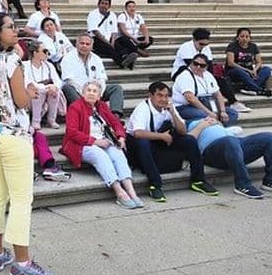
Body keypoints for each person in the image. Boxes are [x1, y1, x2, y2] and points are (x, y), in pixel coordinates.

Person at [0, 12, 56, 275]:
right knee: (22, 200)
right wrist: (31, 93)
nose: (15, 30)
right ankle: (22, 262)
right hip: (12, 135)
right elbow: (21, 101)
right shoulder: (11, 60)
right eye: (10, 27)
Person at [125, 82, 218, 202]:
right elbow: (138, 133)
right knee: (143, 142)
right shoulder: (142, 108)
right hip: (137, 144)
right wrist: (162, 136)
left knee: (189, 140)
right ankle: (155, 185)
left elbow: (183, 131)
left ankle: (198, 180)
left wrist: (173, 113)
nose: (163, 99)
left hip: (158, 140)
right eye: (159, 95)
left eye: (166, 96)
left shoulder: (169, 107)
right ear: (150, 95)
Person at [62, 81, 143, 209]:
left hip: (105, 141)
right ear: (83, 93)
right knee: (100, 156)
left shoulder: (101, 106)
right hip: (82, 144)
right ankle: (119, 192)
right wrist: (95, 141)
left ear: (99, 96)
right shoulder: (75, 107)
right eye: (88, 90)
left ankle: (131, 190)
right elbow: (72, 132)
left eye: (95, 91)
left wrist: (121, 137)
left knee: (118, 154)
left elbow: (115, 122)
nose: (91, 93)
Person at [187, 117, 272, 199]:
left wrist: (218, 123)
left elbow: (237, 130)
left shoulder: (211, 119)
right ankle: (243, 184)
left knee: (270, 137)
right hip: (212, 152)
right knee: (229, 141)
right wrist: (201, 126)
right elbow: (187, 141)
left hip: (235, 144)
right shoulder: (186, 124)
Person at [171, 27, 250, 113]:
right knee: (191, 69)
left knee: (220, 80)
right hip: (183, 72)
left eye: (206, 44)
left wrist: (212, 78)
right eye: (201, 44)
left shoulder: (206, 48)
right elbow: (193, 66)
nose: (203, 46)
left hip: (201, 72)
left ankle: (234, 102)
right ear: (194, 40)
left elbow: (209, 65)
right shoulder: (185, 47)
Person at [60, 34, 126, 117]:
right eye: (82, 43)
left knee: (116, 88)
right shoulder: (67, 58)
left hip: (95, 92)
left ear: (92, 46)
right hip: (78, 92)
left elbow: (101, 78)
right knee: (67, 87)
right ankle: (88, 113)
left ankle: (115, 116)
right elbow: (69, 80)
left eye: (87, 44)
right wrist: (85, 94)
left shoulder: (96, 58)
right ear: (76, 44)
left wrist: (98, 94)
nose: (84, 46)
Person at [172, 52, 239, 127]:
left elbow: (218, 94)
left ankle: (220, 128)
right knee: (204, 116)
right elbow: (190, 98)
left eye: (202, 65)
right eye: (195, 63)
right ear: (191, 63)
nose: (198, 67)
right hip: (185, 106)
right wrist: (209, 113)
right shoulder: (185, 75)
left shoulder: (208, 75)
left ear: (206, 67)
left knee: (232, 113)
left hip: (207, 102)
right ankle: (217, 128)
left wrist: (223, 111)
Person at [87, 0, 138, 69]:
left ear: (109, 6)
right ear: (98, 4)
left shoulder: (112, 15)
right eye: (102, 3)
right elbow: (95, 31)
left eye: (106, 4)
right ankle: (122, 63)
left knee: (121, 43)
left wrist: (113, 41)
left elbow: (114, 31)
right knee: (109, 48)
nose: (104, 5)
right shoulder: (93, 14)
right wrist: (108, 43)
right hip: (96, 38)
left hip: (109, 38)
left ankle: (127, 58)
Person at [23, 40, 66, 130]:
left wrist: (54, 87)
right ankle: (35, 121)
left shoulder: (49, 65)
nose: (47, 53)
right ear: (35, 53)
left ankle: (51, 120)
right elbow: (27, 82)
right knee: (39, 91)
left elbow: (58, 81)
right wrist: (46, 87)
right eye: (44, 51)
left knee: (54, 91)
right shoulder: (25, 65)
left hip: (48, 94)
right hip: (31, 95)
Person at [225, 28, 272, 97]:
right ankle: (259, 90)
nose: (244, 39)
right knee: (239, 71)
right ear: (237, 37)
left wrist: (255, 70)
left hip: (250, 72)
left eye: (247, 37)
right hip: (235, 71)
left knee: (267, 69)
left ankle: (249, 88)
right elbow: (230, 63)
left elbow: (259, 62)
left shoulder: (253, 46)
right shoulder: (232, 46)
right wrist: (247, 70)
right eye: (242, 36)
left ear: (250, 38)